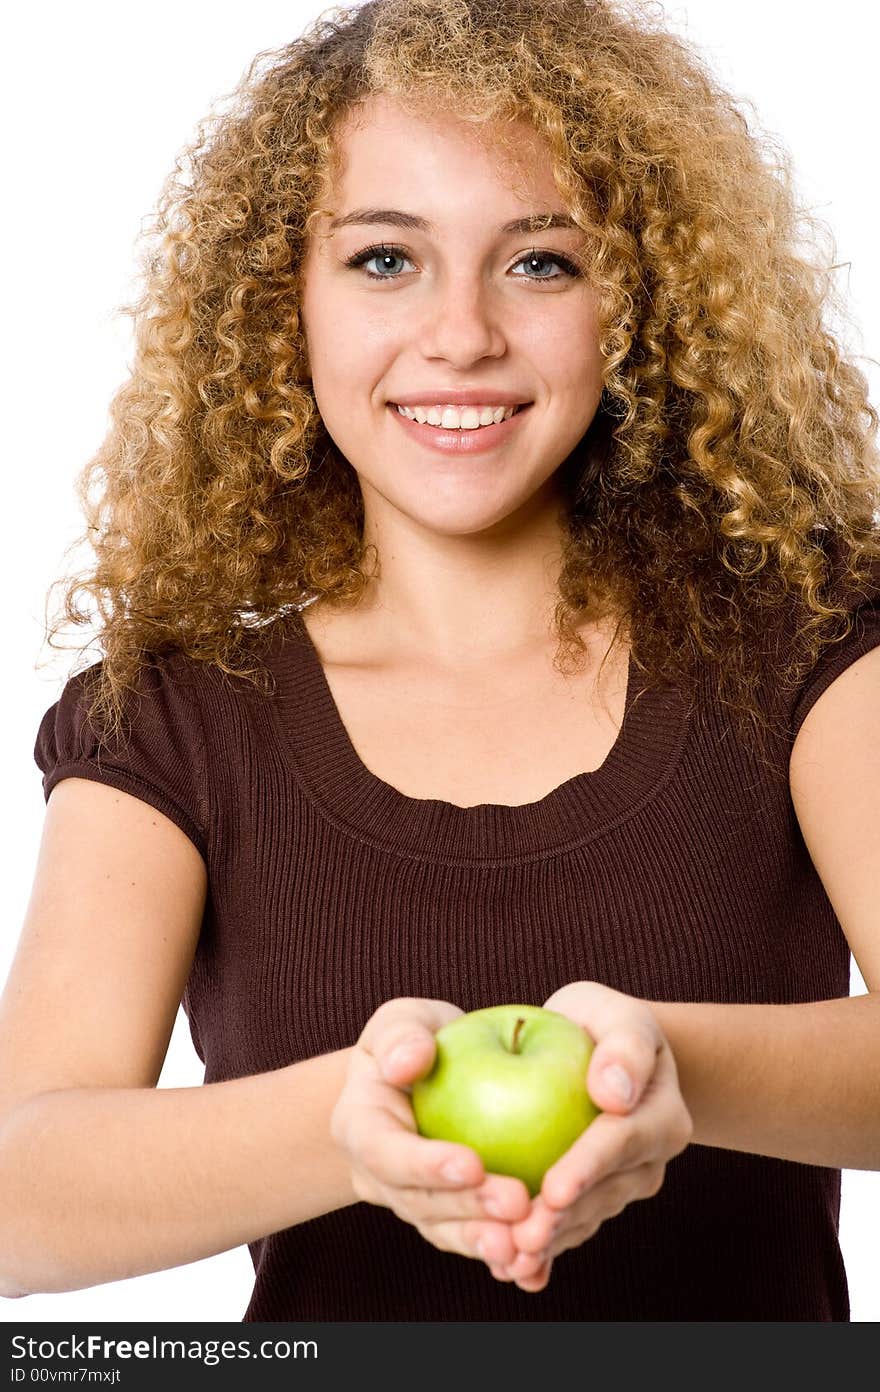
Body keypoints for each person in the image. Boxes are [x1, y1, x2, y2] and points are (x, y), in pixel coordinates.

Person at [2, 0, 879, 1321]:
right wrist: (351, 1123)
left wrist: (668, 1064)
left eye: (541, 264)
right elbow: (19, 1200)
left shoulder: (808, 648)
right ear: (279, 300)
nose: (461, 334)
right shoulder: (175, 721)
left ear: (640, 306)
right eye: (384, 262)